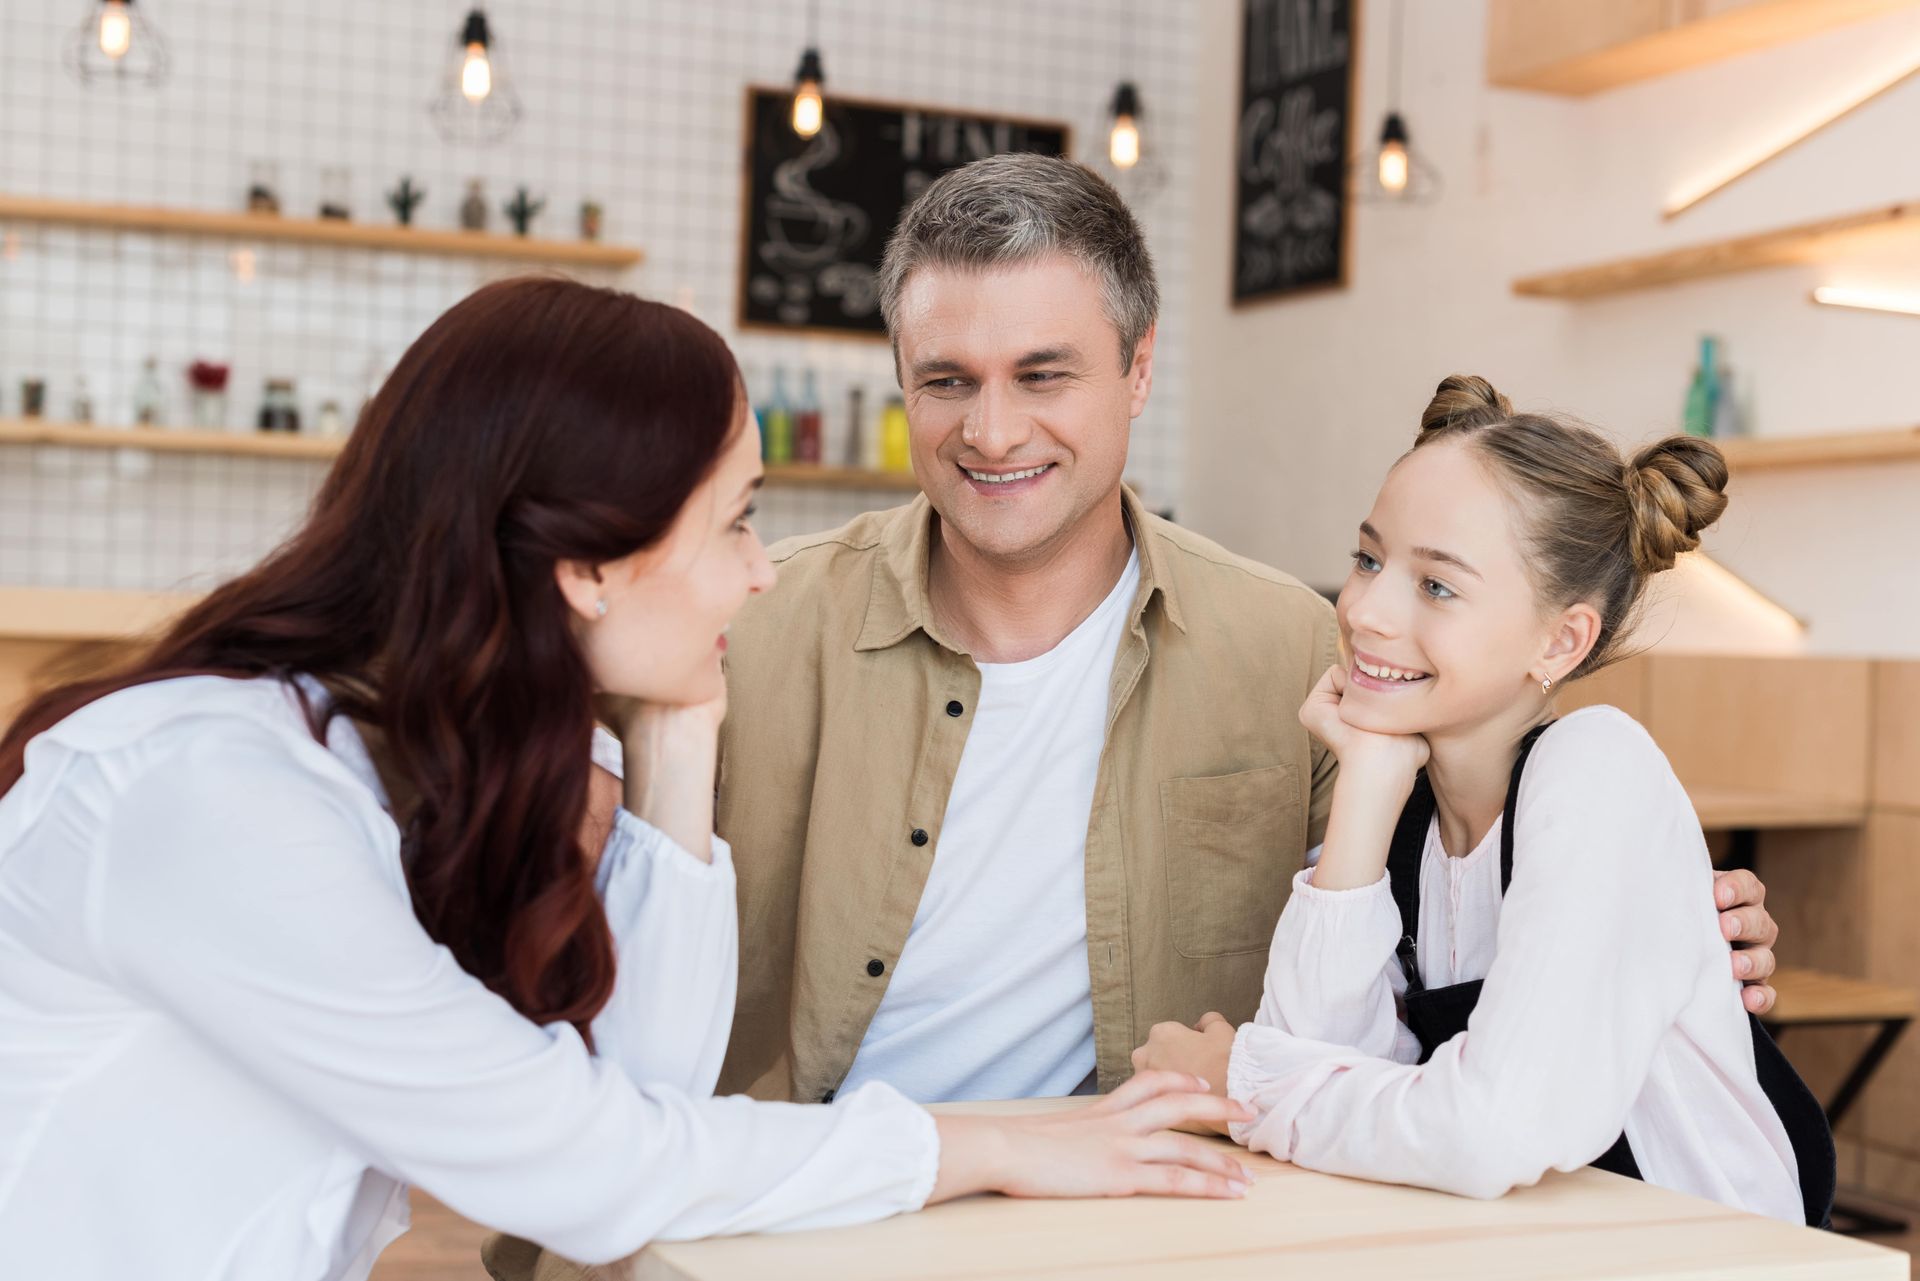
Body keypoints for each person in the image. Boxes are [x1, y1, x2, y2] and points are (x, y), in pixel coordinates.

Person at [501, 157, 1783, 1279]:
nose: (990, 430)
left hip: (1145, 1227)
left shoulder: (1294, 648)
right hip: (806, 1211)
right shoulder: (745, 631)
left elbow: (1435, 931)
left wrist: (1680, 927)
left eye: (1043, 373)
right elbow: (567, 991)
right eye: (946, 380)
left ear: (1140, 366)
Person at [0, 279, 1259, 1281]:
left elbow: (645, 1098)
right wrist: (999, 1146)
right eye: (735, 521)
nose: (762, 574)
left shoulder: (406, 766)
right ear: (591, 567)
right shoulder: (216, 802)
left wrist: (680, 730)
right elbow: (587, 1166)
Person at [1132, 376, 1834, 1227]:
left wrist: (1238, 1078)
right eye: (1367, 559)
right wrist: (1367, 776)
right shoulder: (1411, 813)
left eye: (1437, 587)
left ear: (1560, 639)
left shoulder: (1597, 768)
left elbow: (1493, 1126)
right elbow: (1320, 1068)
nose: (1363, 610)